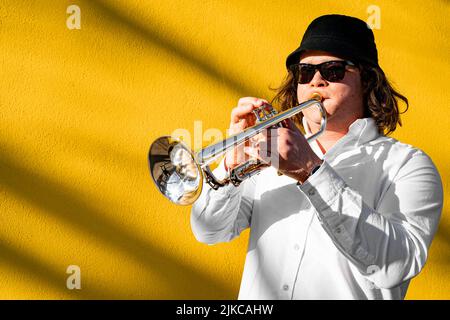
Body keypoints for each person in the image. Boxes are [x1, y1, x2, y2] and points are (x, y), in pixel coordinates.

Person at [190, 14, 443, 300]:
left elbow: (394, 266)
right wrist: (231, 164)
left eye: (332, 70)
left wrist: (310, 171)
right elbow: (209, 231)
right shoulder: (266, 154)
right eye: (305, 72)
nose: (316, 81)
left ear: (367, 79)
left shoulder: (407, 165)